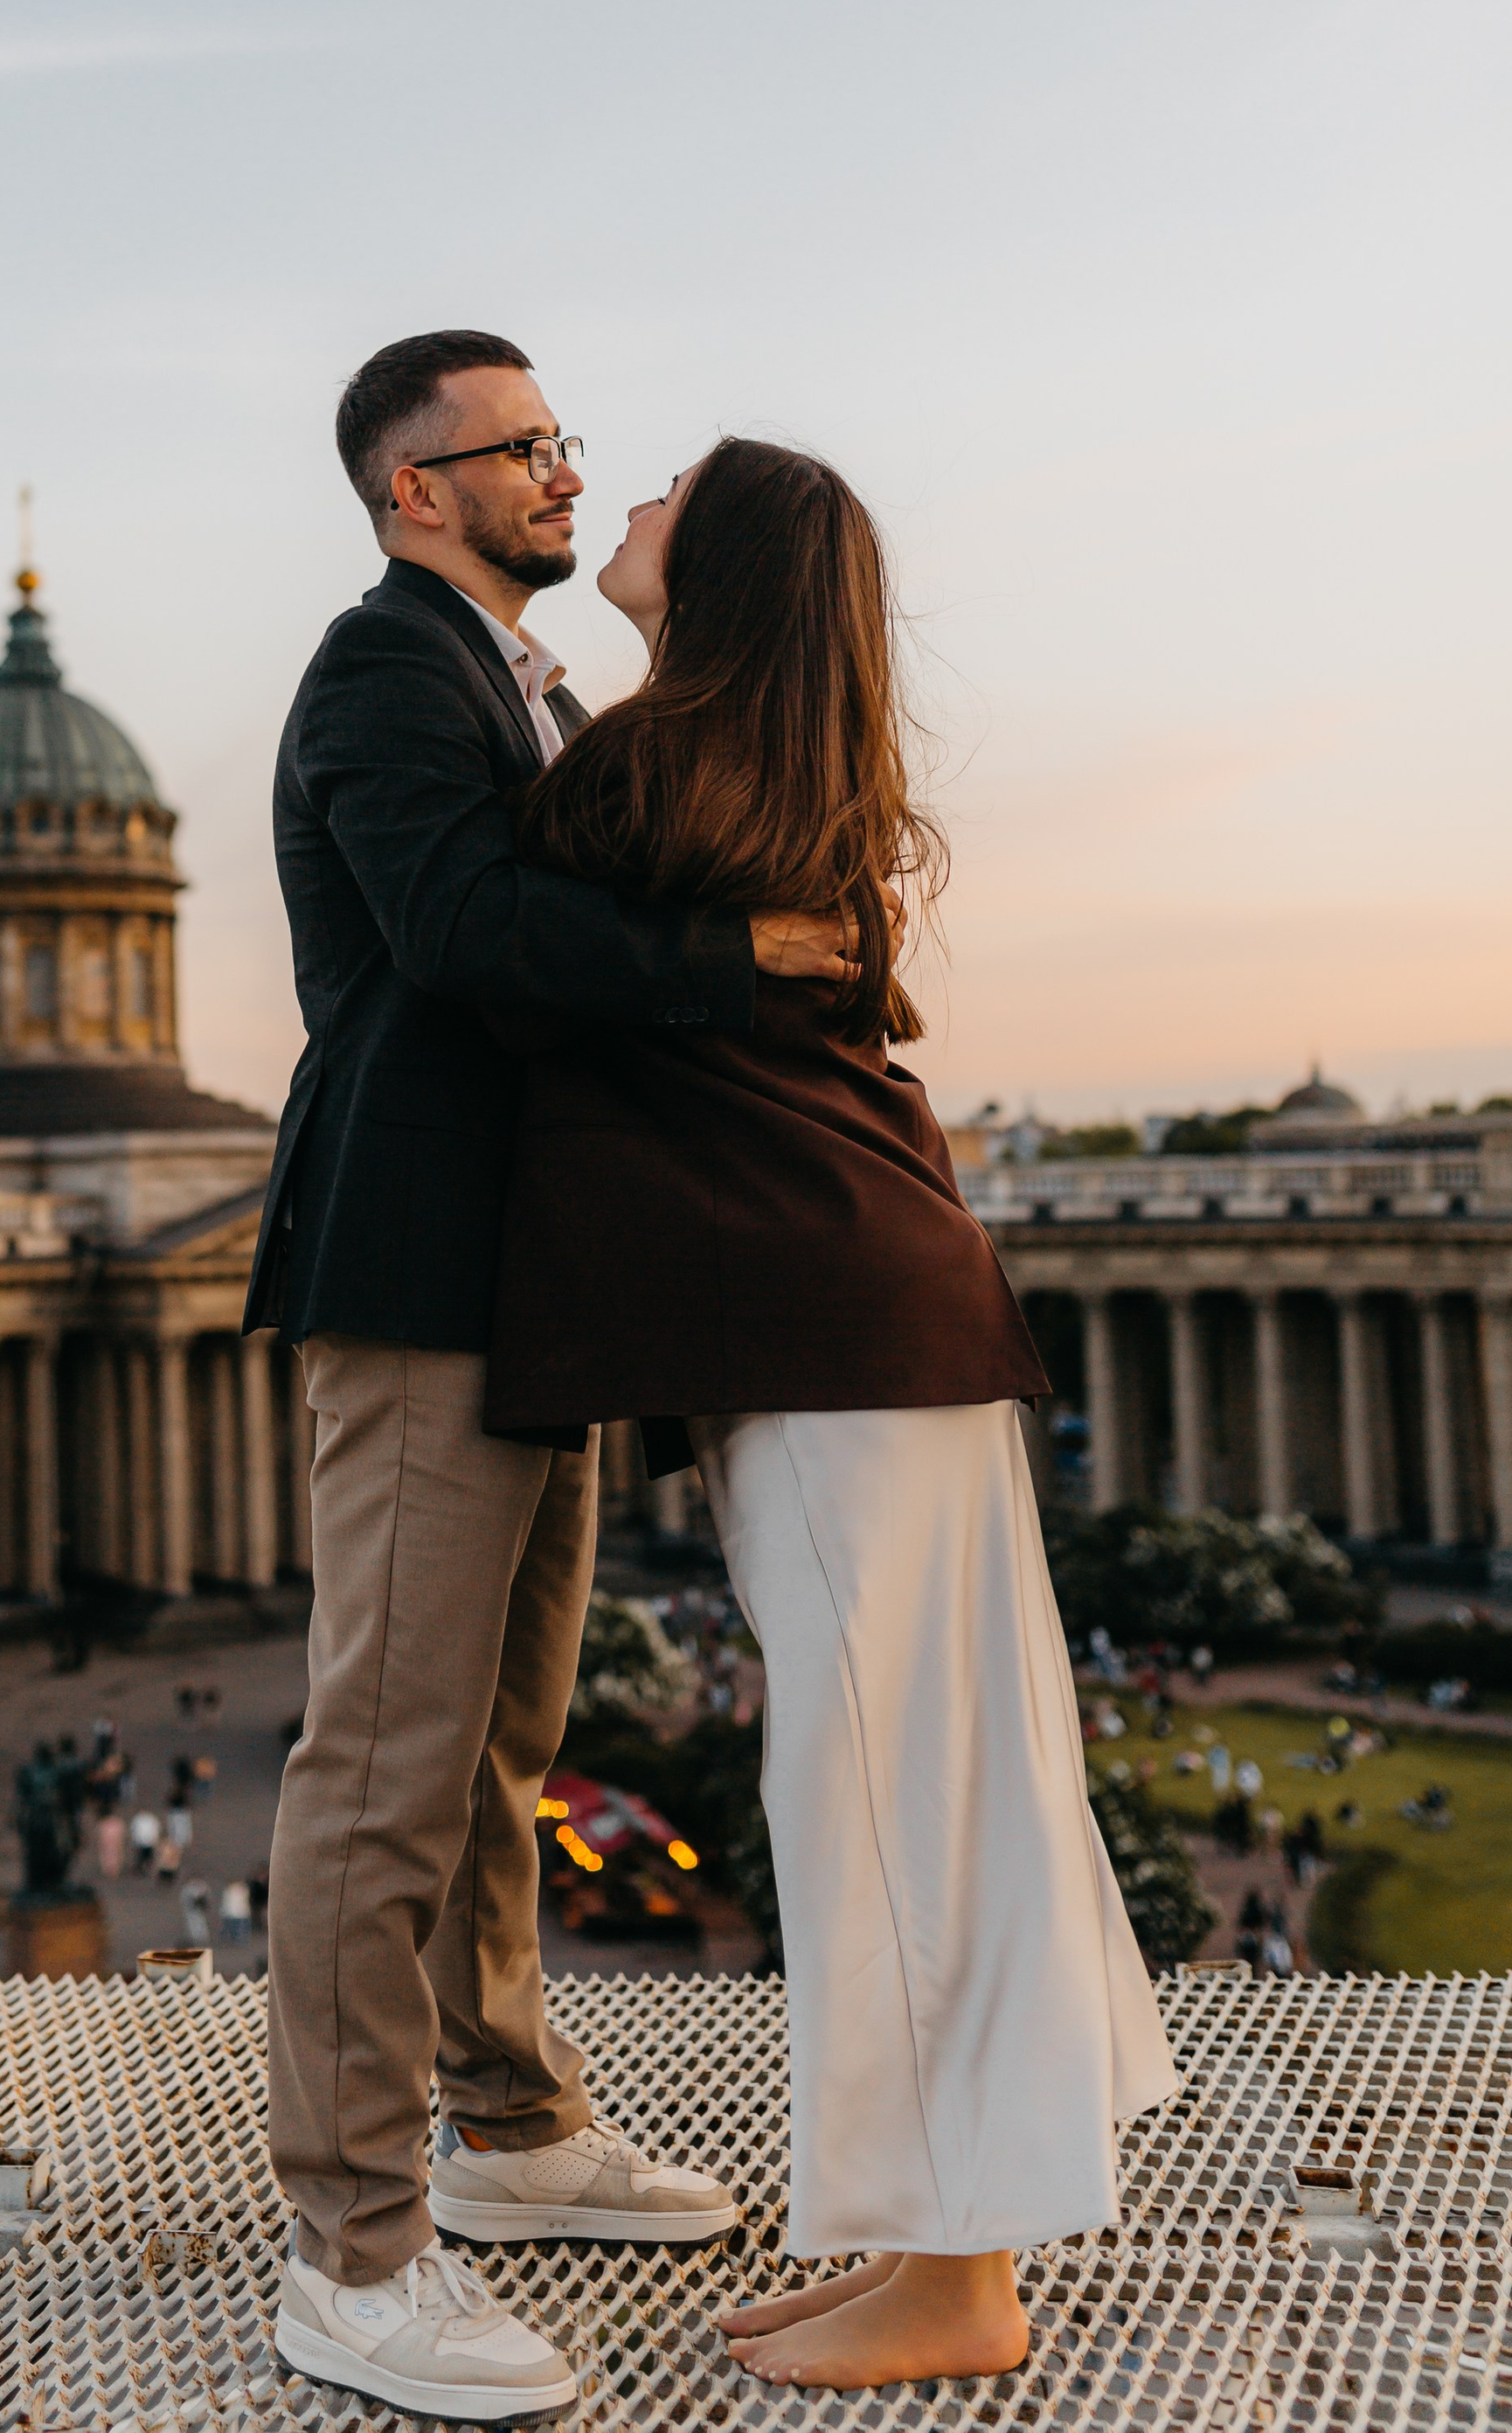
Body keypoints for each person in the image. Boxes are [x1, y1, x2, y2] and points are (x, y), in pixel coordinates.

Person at [482, 435, 1178, 2394]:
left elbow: (488, 959)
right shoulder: (781, 775)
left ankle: (955, 2281)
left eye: (664, 494)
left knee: (880, 1793)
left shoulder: (646, 769)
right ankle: (927, 2239)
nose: (620, 504)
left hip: (823, 1329)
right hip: (888, 1312)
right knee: (953, 1780)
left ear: (717, 568)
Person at [251, 335, 850, 2420]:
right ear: (413, 488)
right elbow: (461, 931)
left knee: (497, 1743)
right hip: (422, 1272)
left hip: (531, 1282)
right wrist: (730, 963)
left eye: (558, 440)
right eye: (515, 448)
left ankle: (505, 2129)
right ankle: (349, 2254)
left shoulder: (530, 686)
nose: (558, 471)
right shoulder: (381, 669)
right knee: (382, 1764)